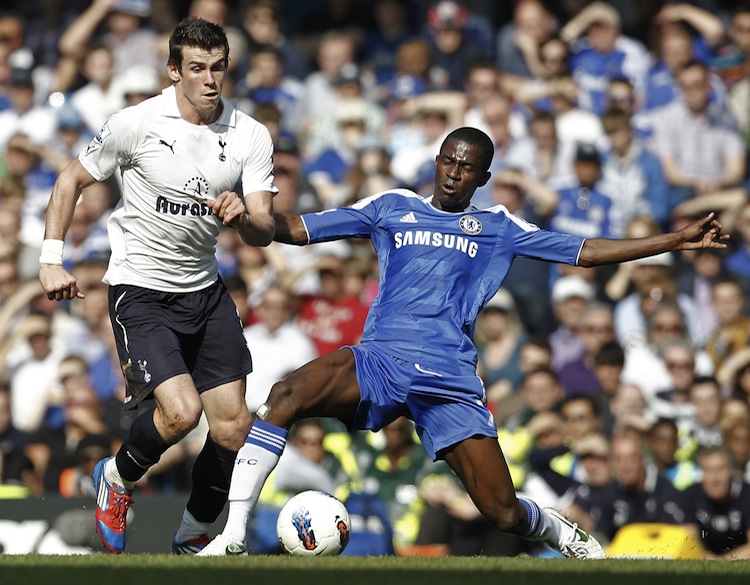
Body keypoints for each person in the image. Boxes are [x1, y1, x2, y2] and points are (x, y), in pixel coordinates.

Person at [199, 126, 727, 557]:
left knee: (501, 512)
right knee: (284, 395)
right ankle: (233, 535)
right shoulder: (391, 206)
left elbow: (585, 250)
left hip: (449, 378)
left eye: (467, 166)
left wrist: (673, 240)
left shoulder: (499, 226)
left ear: (484, 176)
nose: (454, 172)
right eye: (448, 160)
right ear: (437, 161)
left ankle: (562, 534)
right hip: (380, 359)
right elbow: (296, 229)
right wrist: (249, 218)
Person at [38, 17, 277, 554]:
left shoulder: (249, 134)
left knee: (234, 426)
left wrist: (244, 216)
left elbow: (263, 229)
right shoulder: (137, 122)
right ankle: (117, 479)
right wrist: (51, 259)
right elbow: (71, 179)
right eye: (197, 69)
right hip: (141, 290)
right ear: (174, 71)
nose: (210, 80)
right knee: (181, 413)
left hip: (206, 291)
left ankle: (193, 534)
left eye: (218, 68)